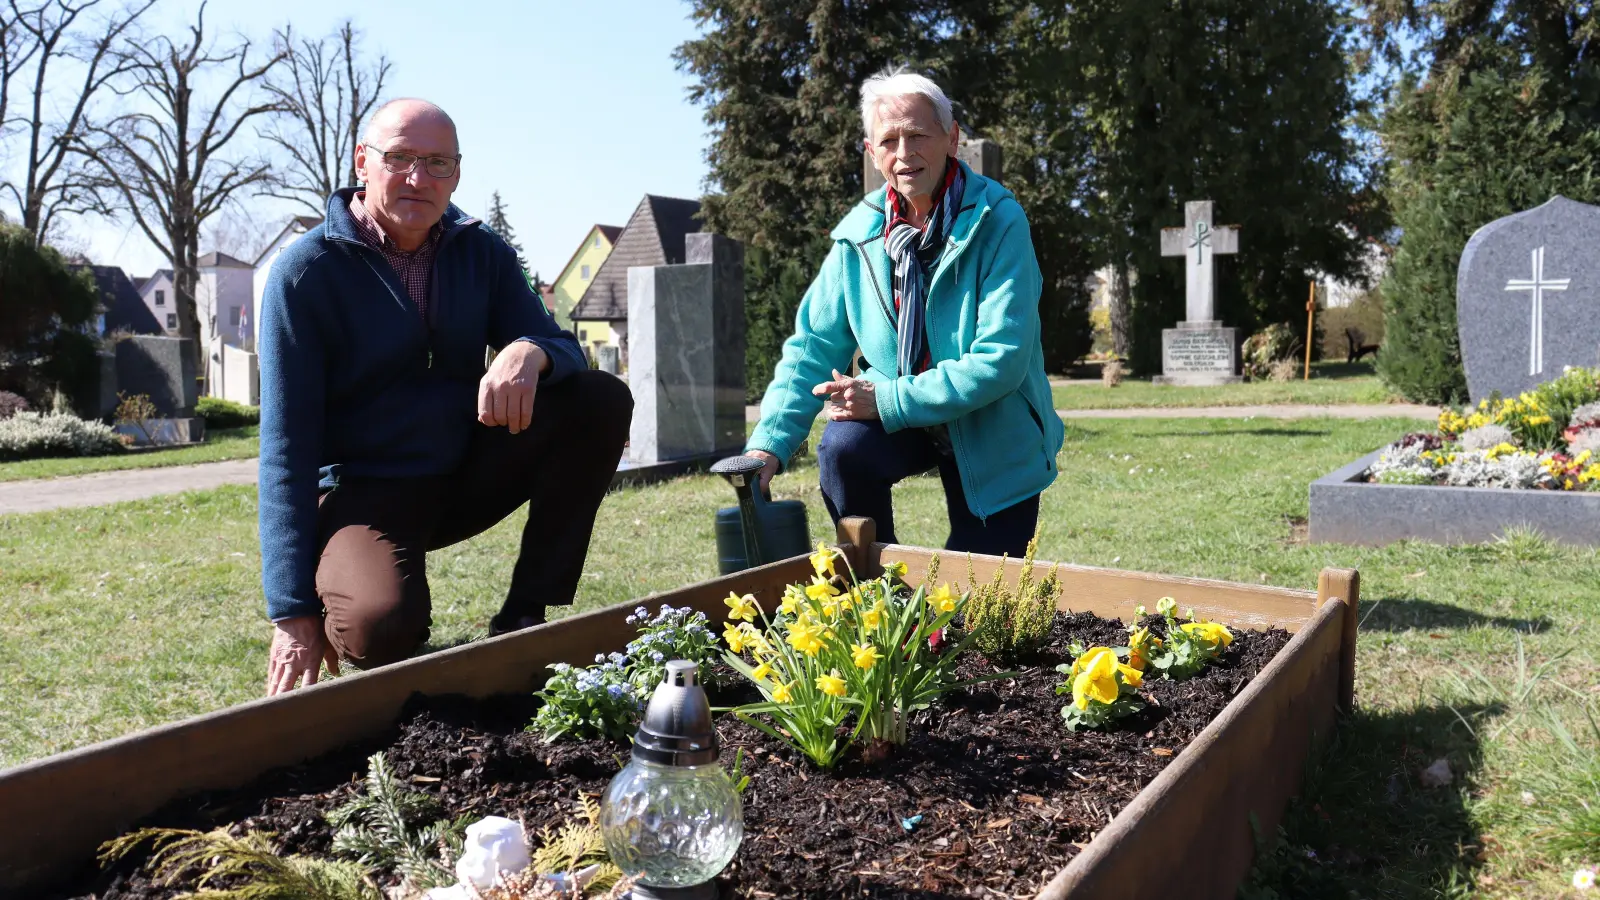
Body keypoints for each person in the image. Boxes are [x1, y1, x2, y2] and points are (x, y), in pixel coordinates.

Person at [257, 98, 632, 696]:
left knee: (599, 400)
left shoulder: (479, 252)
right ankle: (363, 589)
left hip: (463, 470)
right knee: (380, 633)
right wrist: (292, 609)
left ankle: (525, 616)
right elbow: (285, 449)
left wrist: (529, 350)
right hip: (365, 494)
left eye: (437, 163)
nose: (418, 179)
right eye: (400, 158)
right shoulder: (306, 275)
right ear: (362, 162)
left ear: (457, 173)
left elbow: (565, 351)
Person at [743, 68, 1063, 555]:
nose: (904, 153)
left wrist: (887, 400)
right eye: (889, 140)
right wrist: (769, 444)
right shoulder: (860, 234)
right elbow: (812, 346)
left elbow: (1001, 360)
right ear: (872, 153)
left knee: (982, 597)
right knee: (844, 448)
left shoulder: (999, 221)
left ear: (952, 138)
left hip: (992, 426)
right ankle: (877, 594)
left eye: (918, 135)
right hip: (902, 416)